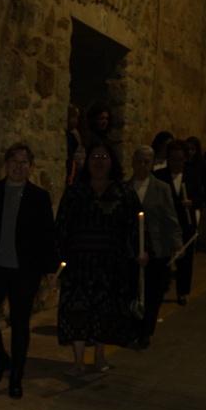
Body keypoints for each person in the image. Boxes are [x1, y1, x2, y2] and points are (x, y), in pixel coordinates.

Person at [0, 143, 58, 398]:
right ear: (6, 164)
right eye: (14, 162)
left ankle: (16, 375)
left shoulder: (39, 197)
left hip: (24, 271)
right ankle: (0, 358)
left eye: (24, 162)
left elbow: (47, 235)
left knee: (19, 324)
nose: (19, 167)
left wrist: (50, 268)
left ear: (30, 166)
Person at [55, 139, 145, 373]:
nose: (99, 162)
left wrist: (139, 253)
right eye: (95, 157)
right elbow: (62, 226)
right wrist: (58, 257)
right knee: (77, 310)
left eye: (104, 157)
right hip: (79, 264)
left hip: (110, 265)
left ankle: (100, 356)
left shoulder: (124, 193)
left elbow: (135, 228)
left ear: (112, 162)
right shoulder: (75, 192)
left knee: (104, 311)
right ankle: (77, 360)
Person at [128, 146, 181, 348]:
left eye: (147, 162)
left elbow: (170, 219)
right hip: (132, 249)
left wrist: (175, 244)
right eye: (139, 161)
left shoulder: (161, 188)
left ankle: (146, 331)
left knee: (151, 292)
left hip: (156, 249)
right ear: (133, 162)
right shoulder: (125, 188)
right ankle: (132, 328)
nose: (143, 166)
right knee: (132, 290)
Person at [154, 140, 203, 306]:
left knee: (185, 260)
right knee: (163, 259)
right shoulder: (160, 175)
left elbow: (201, 197)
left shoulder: (192, 174)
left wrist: (192, 202)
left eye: (180, 159)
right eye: (173, 159)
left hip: (186, 223)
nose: (177, 163)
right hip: (166, 225)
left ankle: (183, 292)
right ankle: (160, 289)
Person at [66, 104, 86, 187]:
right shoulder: (70, 135)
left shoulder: (75, 133)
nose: (76, 121)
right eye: (73, 117)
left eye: (77, 118)